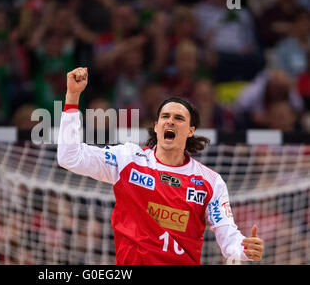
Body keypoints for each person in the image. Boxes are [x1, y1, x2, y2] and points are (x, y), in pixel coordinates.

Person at [57, 67, 264, 265]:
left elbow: (228, 237)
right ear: (156, 126)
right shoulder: (128, 159)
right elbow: (69, 157)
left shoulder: (210, 182)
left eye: (179, 118)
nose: (170, 122)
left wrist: (244, 249)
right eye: (165, 117)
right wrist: (72, 97)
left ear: (191, 130)